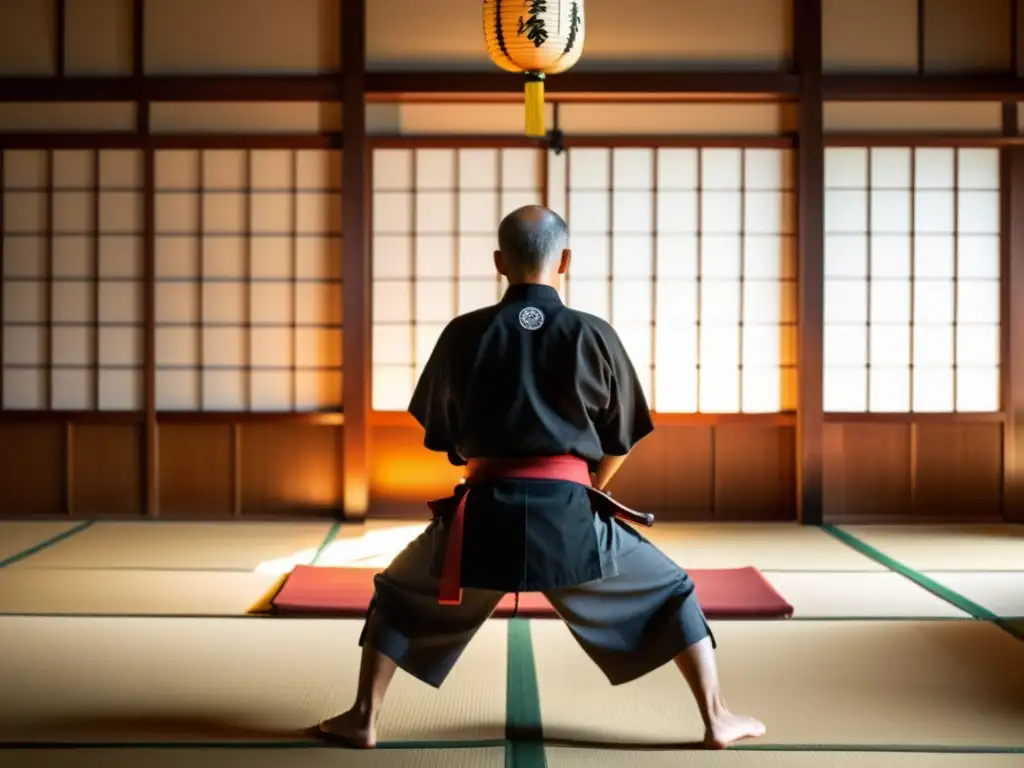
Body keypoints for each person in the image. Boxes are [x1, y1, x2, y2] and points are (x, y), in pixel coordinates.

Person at [318, 205, 766, 750]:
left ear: (499, 262)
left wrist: (492, 462)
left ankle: (365, 716)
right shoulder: (593, 333)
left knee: (395, 593)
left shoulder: (463, 334)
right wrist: (590, 484)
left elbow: (444, 440)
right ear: (566, 261)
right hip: (573, 523)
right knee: (672, 591)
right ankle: (717, 718)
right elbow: (620, 436)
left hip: (479, 523)